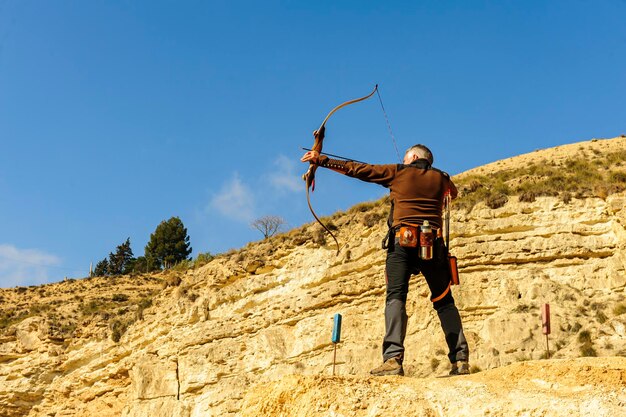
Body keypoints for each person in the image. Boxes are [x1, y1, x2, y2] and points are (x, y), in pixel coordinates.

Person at [301, 142, 469, 376]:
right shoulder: (443, 178)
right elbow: (453, 193)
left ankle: (392, 360)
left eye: (405, 156)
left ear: (412, 157)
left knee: (395, 298)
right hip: (433, 246)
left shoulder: (399, 171)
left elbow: (359, 169)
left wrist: (322, 159)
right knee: (444, 301)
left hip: (402, 243)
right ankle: (460, 360)